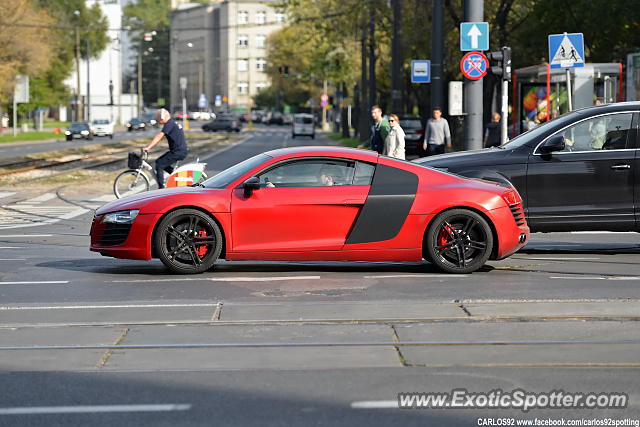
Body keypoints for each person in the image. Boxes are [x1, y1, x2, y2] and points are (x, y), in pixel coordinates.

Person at [142, 109, 188, 189]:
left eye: (158, 118)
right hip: (179, 150)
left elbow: (159, 136)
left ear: (163, 117)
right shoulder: (172, 123)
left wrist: (148, 147)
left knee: (159, 164)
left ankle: (161, 188)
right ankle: (177, 177)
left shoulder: (169, 124)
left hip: (177, 151)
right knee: (161, 163)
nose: (157, 120)